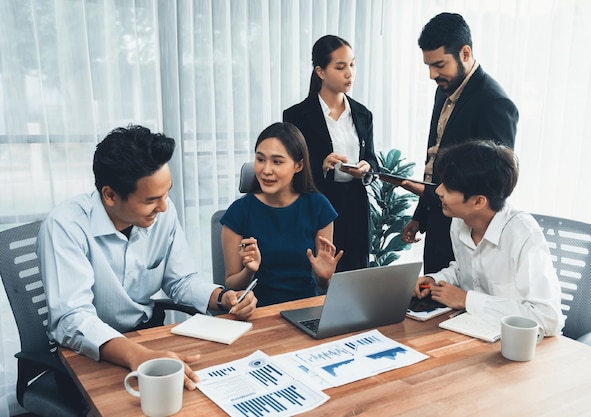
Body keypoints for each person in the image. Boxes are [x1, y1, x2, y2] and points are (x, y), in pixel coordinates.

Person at [37, 125, 257, 391]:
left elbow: (181, 280)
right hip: (87, 352)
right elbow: (73, 318)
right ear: (110, 195)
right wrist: (137, 355)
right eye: (152, 199)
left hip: (147, 337)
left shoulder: (162, 211)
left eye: (167, 193)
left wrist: (223, 297)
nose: (164, 206)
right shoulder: (65, 226)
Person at [396, 13, 519, 274]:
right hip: (439, 224)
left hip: (470, 234)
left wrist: (425, 192)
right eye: (428, 65)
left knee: (461, 311)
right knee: (431, 306)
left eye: (439, 64)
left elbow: (494, 183)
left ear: (465, 53)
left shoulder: (495, 103)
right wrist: (420, 216)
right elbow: (435, 163)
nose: (432, 74)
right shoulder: (444, 89)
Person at [414, 140, 564, 336]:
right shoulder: (460, 221)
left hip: (523, 348)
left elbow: (548, 318)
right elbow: (466, 272)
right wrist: (435, 280)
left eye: (449, 188)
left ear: (478, 201)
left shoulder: (523, 234)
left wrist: (466, 300)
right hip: (474, 334)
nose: (438, 191)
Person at [221, 122, 344, 306]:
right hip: (256, 312)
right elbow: (230, 283)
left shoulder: (318, 207)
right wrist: (249, 271)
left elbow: (323, 283)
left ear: (299, 165)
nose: (266, 170)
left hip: (304, 309)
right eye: (260, 159)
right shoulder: (238, 212)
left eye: (277, 161)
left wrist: (325, 278)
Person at [283, 34, 378, 272]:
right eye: (340, 67)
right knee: (320, 278)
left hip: (355, 205)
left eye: (352, 65)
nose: (349, 73)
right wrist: (321, 164)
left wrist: (367, 167)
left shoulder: (363, 114)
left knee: (356, 280)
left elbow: (373, 160)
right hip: (319, 203)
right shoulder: (296, 116)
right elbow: (289, 167)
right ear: (320, 71)